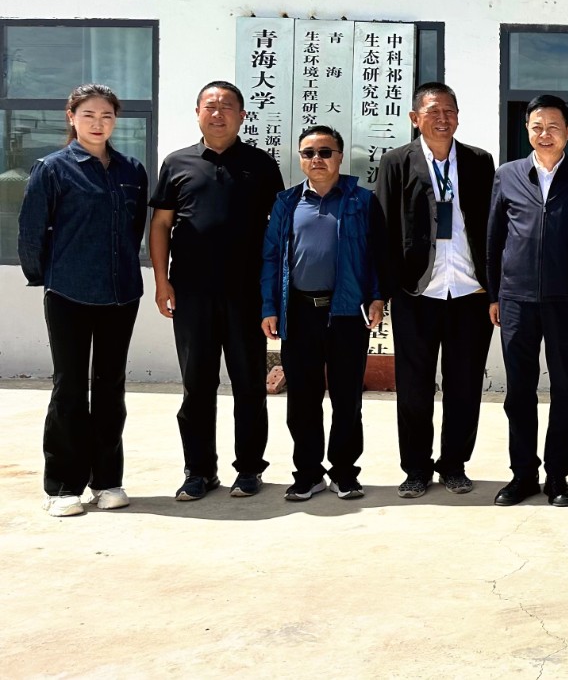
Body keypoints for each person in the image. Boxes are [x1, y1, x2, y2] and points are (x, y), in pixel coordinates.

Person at [149, 81, 285, 501]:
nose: (218, 113)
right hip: (192, 293)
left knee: (249, 384)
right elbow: (161, 225)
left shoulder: (260, 164)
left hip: (246, 295)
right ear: (197, 113)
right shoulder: (177, 163)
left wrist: (274, 292)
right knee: (197, 385)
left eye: (227, 106)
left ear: (242, 116)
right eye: (210, 105)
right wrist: (161, 280)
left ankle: (249, 469)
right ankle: (199, 471)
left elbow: (279, 230)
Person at [19, 84, 148, 517]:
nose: (98, 123)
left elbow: (132, 229)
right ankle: (62, 487)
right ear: (71, 117)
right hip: (68, 293)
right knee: (70, 387)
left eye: (107, 116)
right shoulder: (52, 168)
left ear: (115, 121)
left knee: (111, 388)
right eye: (89, 115)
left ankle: (107, 481)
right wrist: (47, 276)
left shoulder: (131, 170)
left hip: (121, 293)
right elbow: (31, 231)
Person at [376, 82, 495, 499]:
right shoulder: (396, 162)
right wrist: (382, 292)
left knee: (464, 385)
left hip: (470, 292)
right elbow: (384, 228)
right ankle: (416, 468)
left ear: (458, 116)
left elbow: (492, 226)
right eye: (432, 111)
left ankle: (454, 465)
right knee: (414, 387)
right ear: (415, 118)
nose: (442, 119)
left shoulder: (479, 161)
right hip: (416, 292)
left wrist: (495, 289)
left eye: (449, 111)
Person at [486, 95, 568, 507]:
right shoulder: (508, 175)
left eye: (553, 127)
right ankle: (522, 475)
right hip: (516, 299)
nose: (545, 134)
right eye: (537, 127)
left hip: (567, 301)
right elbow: (494, 239)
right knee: (519, 392)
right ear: (527, 130)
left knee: (565, 390)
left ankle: (557, 476)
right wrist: (495, 293)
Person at [260, 126, 387, 502]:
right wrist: (269, 307)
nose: (317, 159)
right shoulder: (286, 202)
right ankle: (308, 474)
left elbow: (377, 254)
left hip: (347, 312)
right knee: (302, 398)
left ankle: (345, 472)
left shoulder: (362, 201)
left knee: (347, 398)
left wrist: (378, 297)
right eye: (309, 152)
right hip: (299, 312)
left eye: (325, 152)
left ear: (340, 157)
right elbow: (271, 257)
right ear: (300, 158)